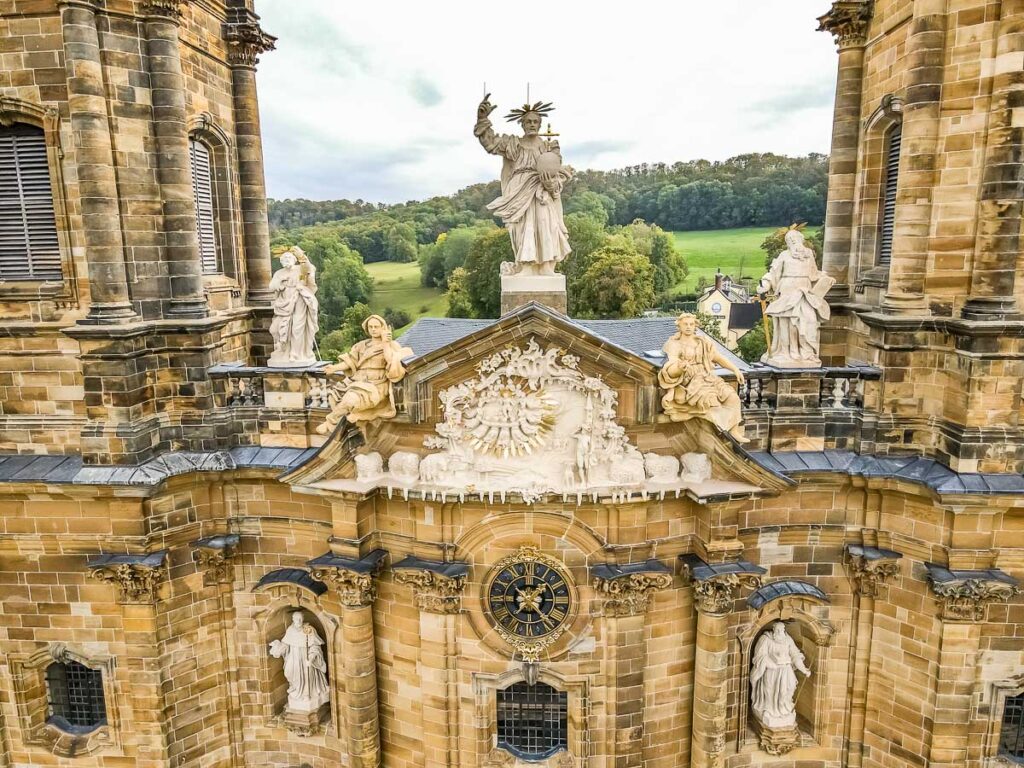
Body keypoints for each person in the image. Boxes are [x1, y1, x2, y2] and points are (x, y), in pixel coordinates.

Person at [474, 95, 572, 275]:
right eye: (528, 121)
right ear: (522, 124)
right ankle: (526, 266)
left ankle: (545, 266)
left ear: (540, 124)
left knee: (545, 224)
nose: (532, 124)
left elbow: (557, 175)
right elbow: (490, 143)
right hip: (518, 192)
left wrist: (550, 184)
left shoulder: (548, 148)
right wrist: (482, 118)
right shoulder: (513, 144)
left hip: (541, 190)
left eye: (535, 121)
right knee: (522, 227)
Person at [658, 312, 748, 443]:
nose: (688, 327)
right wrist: (680, 368)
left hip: (708, 376)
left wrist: (735, 369)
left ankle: (734, 430)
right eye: (685, 324)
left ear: (695, 326)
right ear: (679, 326)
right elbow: (670, 366)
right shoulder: (673, 344)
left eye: (691, 324)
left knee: (733, 398)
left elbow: (717, 357)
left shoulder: (703, 342)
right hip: (691, 381)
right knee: (712, 402)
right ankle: (718, 434)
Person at [317, 315, 412, 434]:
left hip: (376, 384)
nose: (373, 329)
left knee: (350, 400)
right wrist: (334, 368)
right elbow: (351, 362)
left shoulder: (391, 345)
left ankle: (330, 422)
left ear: (383, 328)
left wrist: (385, 343)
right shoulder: (361, 345)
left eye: (376, 326)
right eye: (370, 327)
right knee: (333, 397)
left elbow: (391, 361)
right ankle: (345, 424)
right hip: (357, 381)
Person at [758, 229, 834, 367]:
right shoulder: (784, 255)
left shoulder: (808, 254)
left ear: (801, 240)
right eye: (790, 240)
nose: (793, 242)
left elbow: (814, 273)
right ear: (787, 244)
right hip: (787, 290)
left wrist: (825, 278)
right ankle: (787, 352)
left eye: (795, 239)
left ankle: (805, 352)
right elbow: (773, 272)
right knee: (788, 323)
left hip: (805, 292)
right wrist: (765, 284)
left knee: (808, 320)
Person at [750, 621, 812, 728]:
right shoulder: (765, 639)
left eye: (781, 630)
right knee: (770, 689)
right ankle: (768, 710)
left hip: (786, 671)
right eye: (777, 630)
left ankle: (785, 709)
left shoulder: (787, 640)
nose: (779, 632)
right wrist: (770, 663)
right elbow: (759, 657)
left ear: (784, 630)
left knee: (790, 687)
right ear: (773, 630)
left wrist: (804, 670)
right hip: (771, 670)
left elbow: (795, 655)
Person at [268, 612, 330, 712]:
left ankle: (306, 695)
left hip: (306, 658)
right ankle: (296, 690)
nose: (299, 621)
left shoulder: (309, 630)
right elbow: (285, 644)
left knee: (307, 675)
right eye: (296, 619)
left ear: (303, 618)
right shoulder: (290, 630)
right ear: (293, 619)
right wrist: (277, 646)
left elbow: (315, 646)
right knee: (289, 672)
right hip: (294, 657)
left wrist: (311, 657)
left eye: (300, 619)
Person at [268, 247, 319, 367]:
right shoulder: (279, 273)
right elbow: (272, 286)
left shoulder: (299, 269)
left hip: (299, 298)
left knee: (297, 327)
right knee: (275, 329)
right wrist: (281, 282)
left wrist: (302, 257)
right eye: (284, 258)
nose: (287, 259)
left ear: (294, 259)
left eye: (289, 257)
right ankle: (283, 350)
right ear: (281, 261)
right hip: (284, 302)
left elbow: (309, 269)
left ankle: (295, 353)